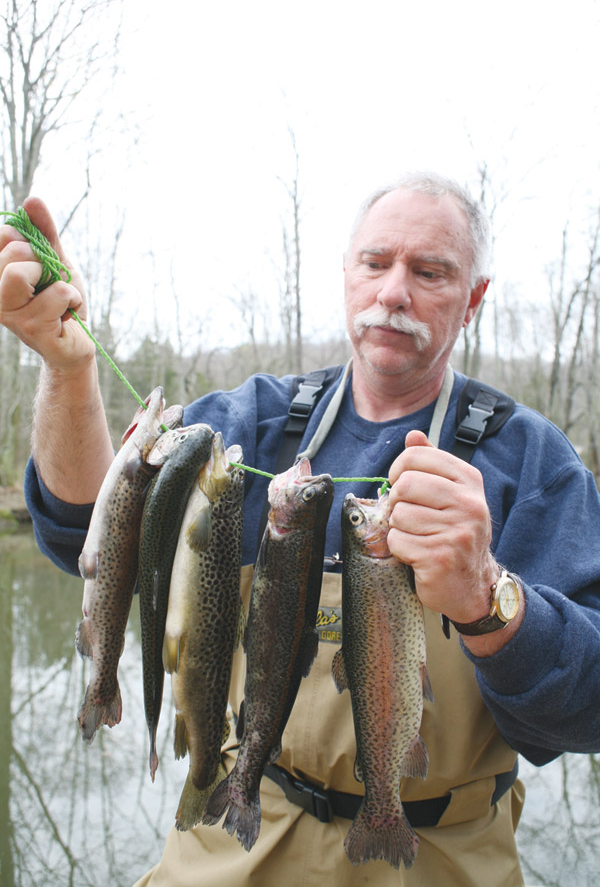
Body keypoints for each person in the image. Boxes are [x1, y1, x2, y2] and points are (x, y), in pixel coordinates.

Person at [1, 172, 600, 887]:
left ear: (474, 300)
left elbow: (584, 716)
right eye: (375, 263)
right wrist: (69, 369)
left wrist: (489, 598)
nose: (393, 292)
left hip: (439, 854)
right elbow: (86, 539)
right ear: (347, 275)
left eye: (429, 271)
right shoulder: (251, 422)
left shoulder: (533, 462)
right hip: (237, 826)